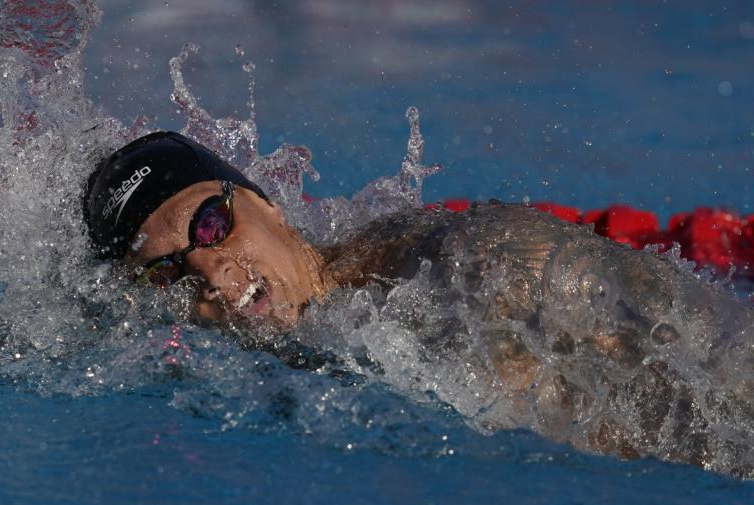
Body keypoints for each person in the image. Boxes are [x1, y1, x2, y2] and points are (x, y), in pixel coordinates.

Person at [84, 131, 754, 477]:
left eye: (209, 226)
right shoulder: (283, 366)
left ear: (264, 204)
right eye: (166, 272)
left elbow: (722, 365)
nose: (212, 272)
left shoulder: (471, 261)